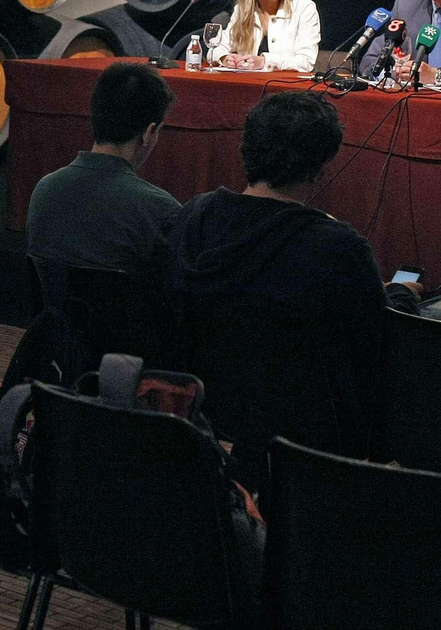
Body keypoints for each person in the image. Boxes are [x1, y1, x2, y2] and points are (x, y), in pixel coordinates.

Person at [165, 92, 385, 468]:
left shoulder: (194, 218)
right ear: (318, 170)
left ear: (246, 151)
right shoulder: (339, 248)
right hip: (305, 439)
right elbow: (375, 347)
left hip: (201, 416)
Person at [26, 62, 180, 303]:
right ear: (149, 132)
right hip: (132, 340)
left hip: (58, 336)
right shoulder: (160, 209)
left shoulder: (44, 190)